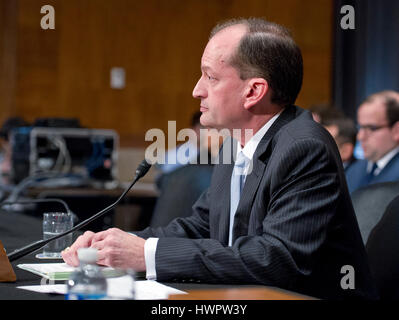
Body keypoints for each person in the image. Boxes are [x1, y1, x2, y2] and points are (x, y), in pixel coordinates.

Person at [63, 18, 377, 300]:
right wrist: (119, 243)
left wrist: (147, 254)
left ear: (253, 91)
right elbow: (201, 226)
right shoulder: (234, 144)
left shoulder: (304, 147)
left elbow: (277, 259)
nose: (196, 90)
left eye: (210, 77)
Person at [346, 91, 399, 194]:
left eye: (371, 128)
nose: (360, 136)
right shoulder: (353, 170)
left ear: (396, 130)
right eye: (360, 127)